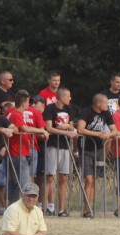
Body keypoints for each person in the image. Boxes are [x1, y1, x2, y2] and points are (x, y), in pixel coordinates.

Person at [77, 93, 116, 217]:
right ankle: (85, 208)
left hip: (99, 149)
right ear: (98, 104)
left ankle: (89, 208)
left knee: (93, 180)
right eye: (105, 103)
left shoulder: (106, 113)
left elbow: (115, 130)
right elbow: (80, 129)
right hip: (86, 149)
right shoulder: (86, 112)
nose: (107, 105)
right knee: (88, 179)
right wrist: (98, 134)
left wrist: (108, 134)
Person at [43, 87, 76, 216]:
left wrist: (67, 127)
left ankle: (61, 209)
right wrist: (64, 132)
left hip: (65, 146)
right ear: (61, 97)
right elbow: (49, 127)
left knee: (63, 177)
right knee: (50, 176)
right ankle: (44, 208)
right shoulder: (50, 108)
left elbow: (72, 126)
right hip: (53, 145)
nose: (70, 98)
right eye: (68, 96)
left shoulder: (69, 109)